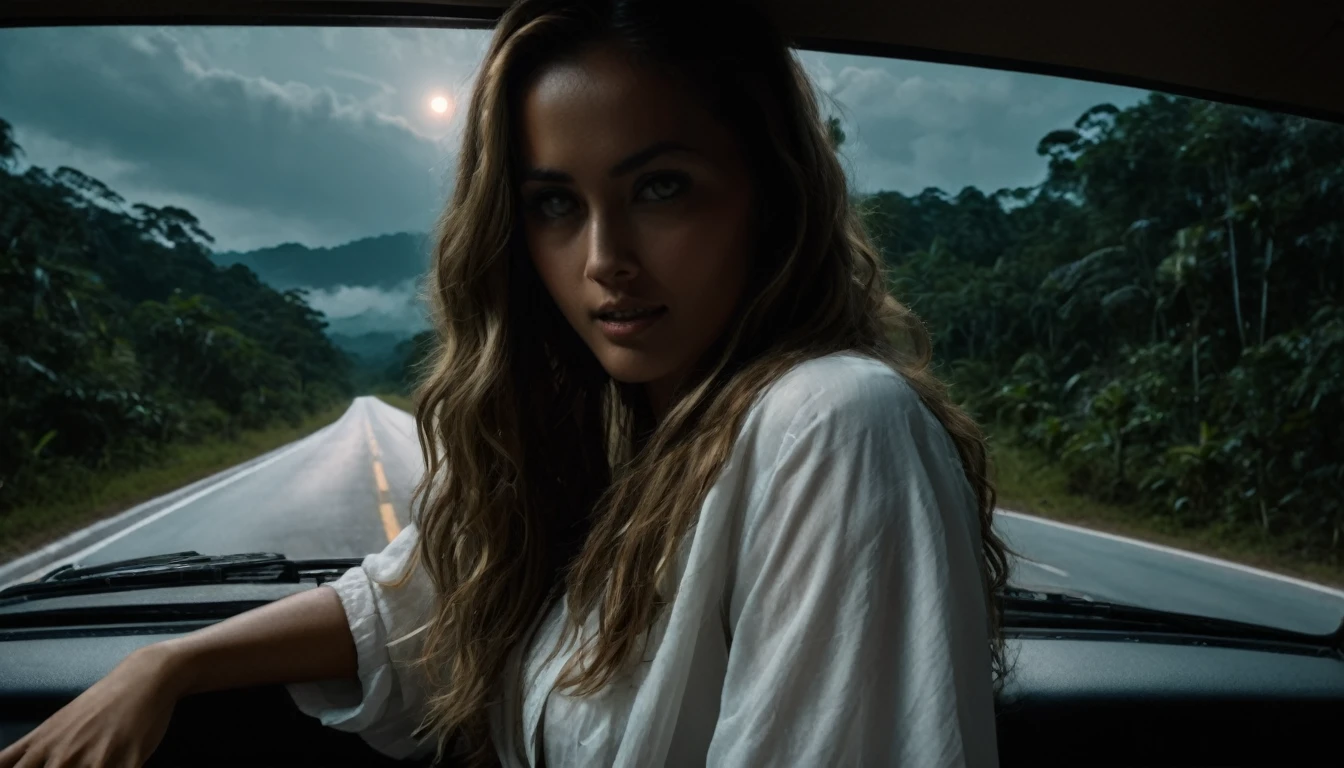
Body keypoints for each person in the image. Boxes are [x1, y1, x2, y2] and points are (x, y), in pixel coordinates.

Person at [0, 0, 1010, 766]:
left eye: (659, 187)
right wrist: (163, 664)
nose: (604, 257)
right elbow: (403, 619)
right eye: (556, 205)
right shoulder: (618, 451)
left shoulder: (830, 422)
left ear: (769, 196)